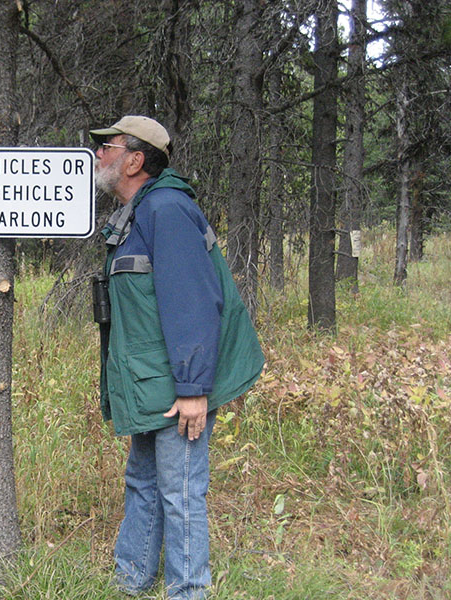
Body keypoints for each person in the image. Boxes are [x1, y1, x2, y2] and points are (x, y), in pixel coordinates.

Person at [90, 116, 265, 599]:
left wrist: (193, 391)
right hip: (153, 382)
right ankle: (132, 580)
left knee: (180, 492)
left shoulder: (166, 210)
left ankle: (188, 591)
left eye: (108, 146)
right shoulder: (138, 213)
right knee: (143, 479)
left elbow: (192, 304)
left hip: (177, 386)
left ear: (134, 159)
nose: (99, 154)